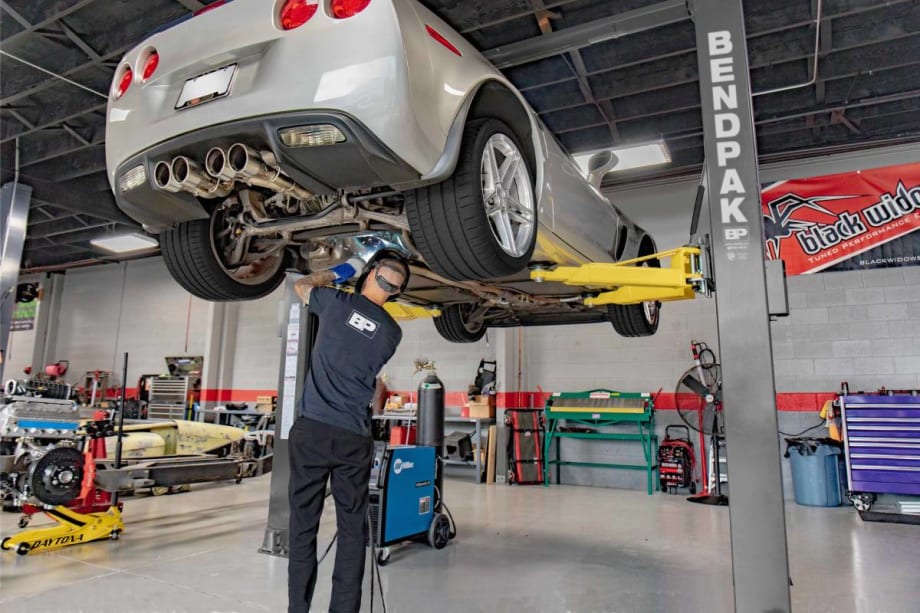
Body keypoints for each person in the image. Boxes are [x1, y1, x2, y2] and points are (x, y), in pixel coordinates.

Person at [288, 251, 409, 613]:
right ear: (397, 292)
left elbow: (302, 285)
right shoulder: (392, 332)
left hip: (312, 431)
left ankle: (298, 609)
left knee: (303, 526)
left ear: (371, 274)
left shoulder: (337, 302)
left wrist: (346, 268)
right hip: (353, 438)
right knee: (353, 528)